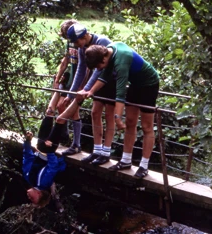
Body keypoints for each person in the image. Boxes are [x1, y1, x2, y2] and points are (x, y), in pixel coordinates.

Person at [82, 43, 160, 178]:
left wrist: (117, 117)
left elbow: (120, 92)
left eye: (97, 66)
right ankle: (125, 160)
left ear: (104, 59)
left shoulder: (121, 60)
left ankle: (144, 165)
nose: (98, 69)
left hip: (149, 84)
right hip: (135, 84)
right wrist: (90, 91)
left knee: (147, 126)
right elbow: (104, 76)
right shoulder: (108, 51)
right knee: (130, 122)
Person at [60, 23, 116, 167]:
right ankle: (97, 150)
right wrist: (71, 93)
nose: (77, 45)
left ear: (85, 36)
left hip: (110, 80)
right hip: (97, 84)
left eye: (78, 41)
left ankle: (106, 152)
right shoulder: (81, 47)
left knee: (109, 116)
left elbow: (98, 71)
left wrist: (85, 89)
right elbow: (80, 69)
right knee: (95, 113)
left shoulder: (101, 42)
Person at [23, 115, 67, 209]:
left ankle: (68, 104)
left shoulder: (28, 177)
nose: (29, 198)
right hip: (48, 149)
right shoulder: (44, 183)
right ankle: (75, 102)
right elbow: (53, 167)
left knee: (49, 113)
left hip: (41, 148)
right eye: (33, 199)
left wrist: (27, 142)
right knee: (59, 120)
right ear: (39, 195)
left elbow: (27, 158)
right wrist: (50, 151)